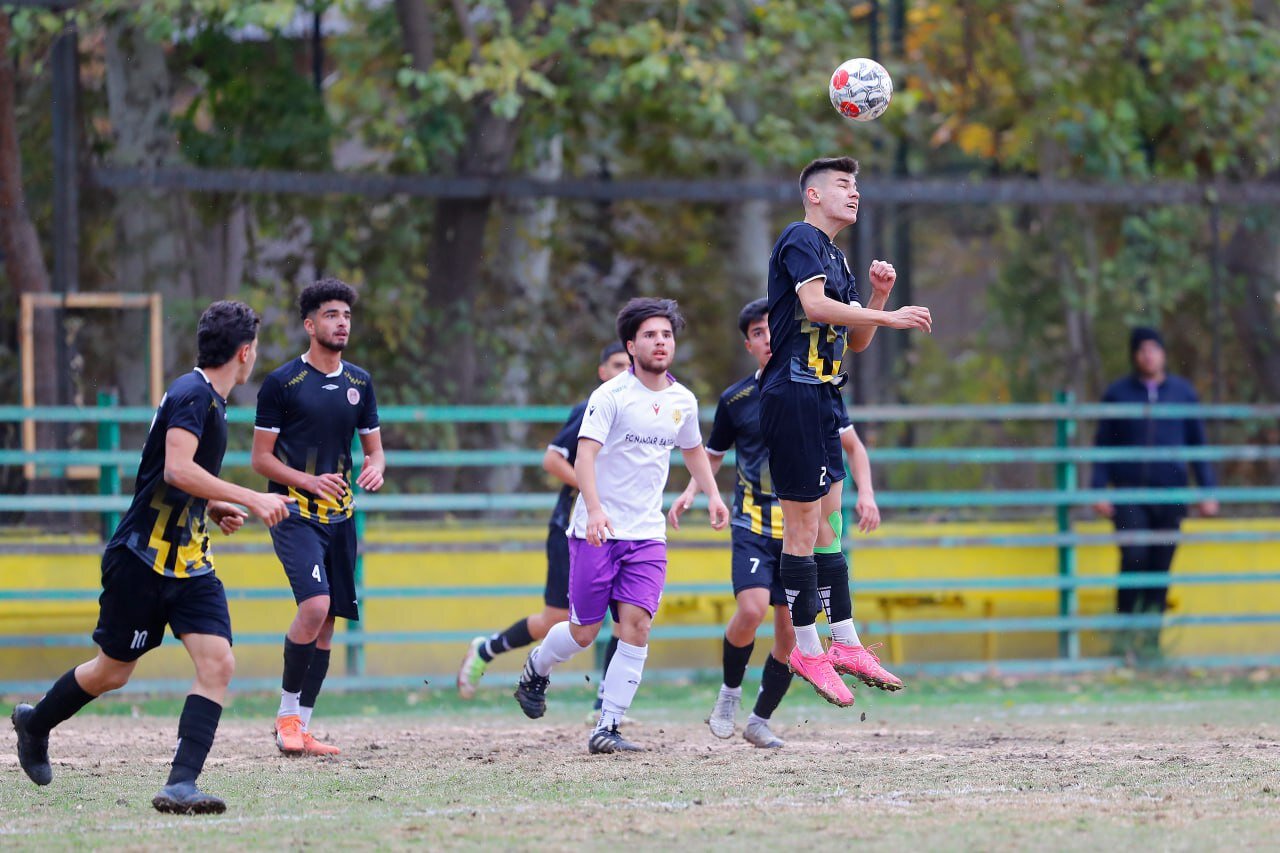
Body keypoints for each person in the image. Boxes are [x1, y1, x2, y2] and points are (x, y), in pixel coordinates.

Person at [11, 301, 294, 814]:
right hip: (141, 560)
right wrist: (252, 497)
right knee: (112, 672)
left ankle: (181, 784)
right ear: (244, 352)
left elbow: (179, 477)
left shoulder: (210, 400)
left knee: (218, 663)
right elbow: (175, 470)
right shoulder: (193, 395)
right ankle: (35, 723)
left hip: (189, 562)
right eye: (254, 348)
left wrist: (212, 506)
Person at [513, 297, 728, 753]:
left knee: (637, 626)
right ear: (631, 345)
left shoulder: (682, 401)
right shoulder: (610, 395)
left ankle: (607, 726)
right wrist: (594, 509)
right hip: (599, 531)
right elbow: (584, 455)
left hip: (647, 534)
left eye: (666, 334)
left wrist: (711, 494)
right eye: (650, 335)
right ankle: (536, 667)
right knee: (583, 632)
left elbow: (693, 450)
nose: (660, 342)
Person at [669, 297, 884, 748]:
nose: (768, 338)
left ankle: (759, 719)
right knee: (750, 610)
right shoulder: (737, 399)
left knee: (788, 634)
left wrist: (865, 492)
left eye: (773, 328)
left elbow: (852, 447)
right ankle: (729, 692)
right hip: (753, 525)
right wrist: (693, 491)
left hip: (798, 533)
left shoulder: (816, 390)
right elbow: (711, 454)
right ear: (748, 344)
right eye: (758, 333)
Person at [759, 156, 931, 706]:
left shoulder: (836, 257)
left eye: (856, 185)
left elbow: (853, 340)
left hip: (825, 396)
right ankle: (806, 649)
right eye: (842, 184)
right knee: (803, 529)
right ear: (813, 195)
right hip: (793, 392)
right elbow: (814, 306)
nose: (854, 193)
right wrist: (889, 316)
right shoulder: (799, 238)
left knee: (830, 528)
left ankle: (847, 642)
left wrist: (877, 298)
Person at [252, 279, 385, 756]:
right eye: (331, 315)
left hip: (340, 519)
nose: (342, 323)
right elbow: (261, 459)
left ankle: (301, 728)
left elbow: (375, 450)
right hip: (293, 514)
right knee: (314, 607)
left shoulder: (359, 383)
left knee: (327, 622)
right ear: (310, 325)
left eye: (346, 315)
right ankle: (286, 716)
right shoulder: (282, 383)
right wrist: (308, 482)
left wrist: (376, 468)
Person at [456, 342, 631, 699]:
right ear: (602, 372)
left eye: (629, 365)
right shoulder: (593, 408)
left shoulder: (642, 414)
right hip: (574, 528)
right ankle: (486, 649)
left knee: (628, 618)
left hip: (624, 529)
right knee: (556, 620)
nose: (624, 372)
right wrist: (594, 491)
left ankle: (605, 704)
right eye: (616, 365)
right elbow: (552, 460)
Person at [1091, 326, 1218, 657]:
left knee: (1160, 568)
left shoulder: (1183, 393)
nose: (1148, 356)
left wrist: (1207, 490)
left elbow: (1198, 445)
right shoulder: (1117, 394)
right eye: (1142, 350)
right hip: (1129, 492)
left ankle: (1150, 645)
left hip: (1170, 493)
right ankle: (1124, 642)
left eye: (1154, 349)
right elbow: (1102, 445)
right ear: (1134, 355)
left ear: (1163, 353)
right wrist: (1098, 489)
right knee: (1134, 557)